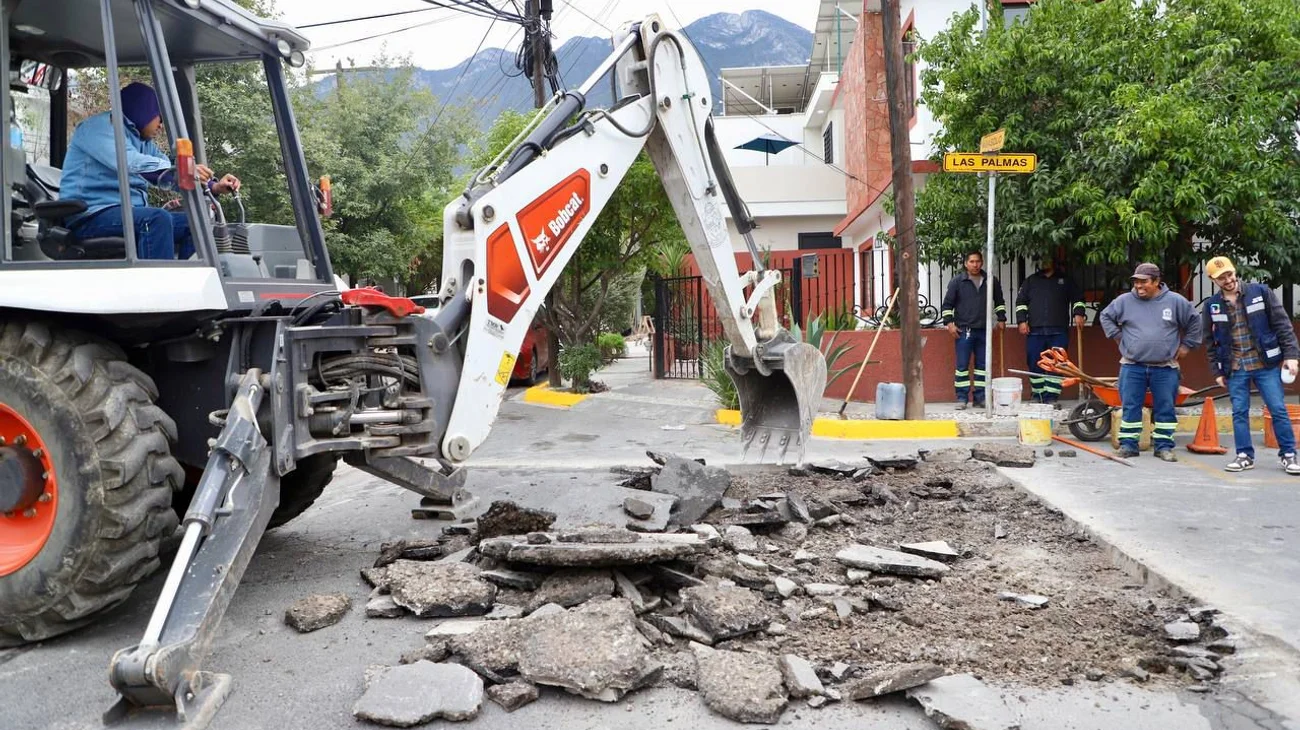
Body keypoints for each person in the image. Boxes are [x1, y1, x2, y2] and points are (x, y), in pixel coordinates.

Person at [58, 82, 240, 260]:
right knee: (156, 219)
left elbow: (168, 173)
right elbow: (130, 161)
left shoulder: (143, 142)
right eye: (159, 117)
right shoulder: (97, 129)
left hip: (126, 213)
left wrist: (213, 186)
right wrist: (183, 170)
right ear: (143, 111)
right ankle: (160, 281)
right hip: (91, 216)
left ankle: (185, 278)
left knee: (196, 223)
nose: (161, 126)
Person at [1200, 257, 1300, 474]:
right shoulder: (1212, 305)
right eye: (1221, 278)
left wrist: (1291, 355)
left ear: (1234, 271)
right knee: (1239, 413)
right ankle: (1244, 455)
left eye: (1229, 274)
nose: (1228, 280)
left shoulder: (1260, 292)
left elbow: (1283, 325)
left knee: (1277, 409)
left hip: (1265, 364)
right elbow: (1209, 341)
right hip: (1236, 367)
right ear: (1213, 280)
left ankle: (1289, 455)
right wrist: (1217, 371)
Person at [1099, 263, 1202, 461]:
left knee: (1165, 408)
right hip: (1132, 365)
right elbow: (1106, 316)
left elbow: (1194, 321)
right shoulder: (1124, 301)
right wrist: (1117, 336)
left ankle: (1164, 447)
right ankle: (1128, 445)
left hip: (1165, 367)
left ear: (1156, 282)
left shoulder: (1175, 301)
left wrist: (1187, 345)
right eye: (1136, 282)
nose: (1139, 286)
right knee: (1130, 407)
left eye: (1143, 282)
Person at [1015, 255, 1087, 405]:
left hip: (1058, 329)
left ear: (1053, 261)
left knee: (1058, 363)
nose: (1043, 263)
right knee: (1034, 362)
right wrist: (1021, 321)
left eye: (1046, 259)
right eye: (1040, 260)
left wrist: (1079, 313)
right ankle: (1038, 395)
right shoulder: (1030, 281)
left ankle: (1052, 397)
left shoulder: (1065, 280)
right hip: (1035, 330)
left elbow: (1078, 298)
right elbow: (1021, 302)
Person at [941, 251, 1007, 410]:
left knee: (983, 367)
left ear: (982, 262)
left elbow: (999, 302)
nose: (975, 264)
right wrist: (949, 324)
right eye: (971, 261)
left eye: (977, 261)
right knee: (962, 366)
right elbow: (947, 305)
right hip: (964, 330)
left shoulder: (991, 281)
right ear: (966, 263)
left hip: (984, 331)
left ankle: (980, 398)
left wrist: (1002, 318)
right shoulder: (957, 281)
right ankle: (962, 398)